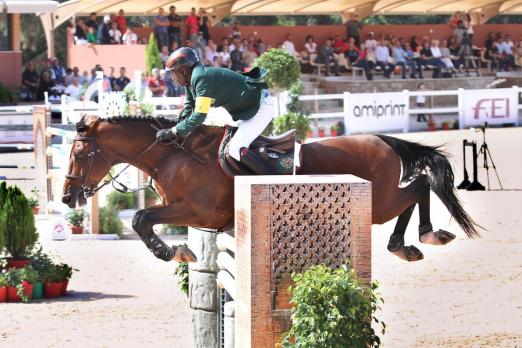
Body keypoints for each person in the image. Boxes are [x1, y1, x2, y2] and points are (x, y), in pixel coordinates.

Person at [155, 47, 274, 174]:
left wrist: (174, 131)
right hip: (249, 108)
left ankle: (272, 178)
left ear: (183, 71)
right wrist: (175, 127)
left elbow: (199, 116)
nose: (173, 78)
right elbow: (189, 106)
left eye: (174, 73)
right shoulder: (191, 80)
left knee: (235, 149)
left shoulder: (201, 78)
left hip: (260, 107)